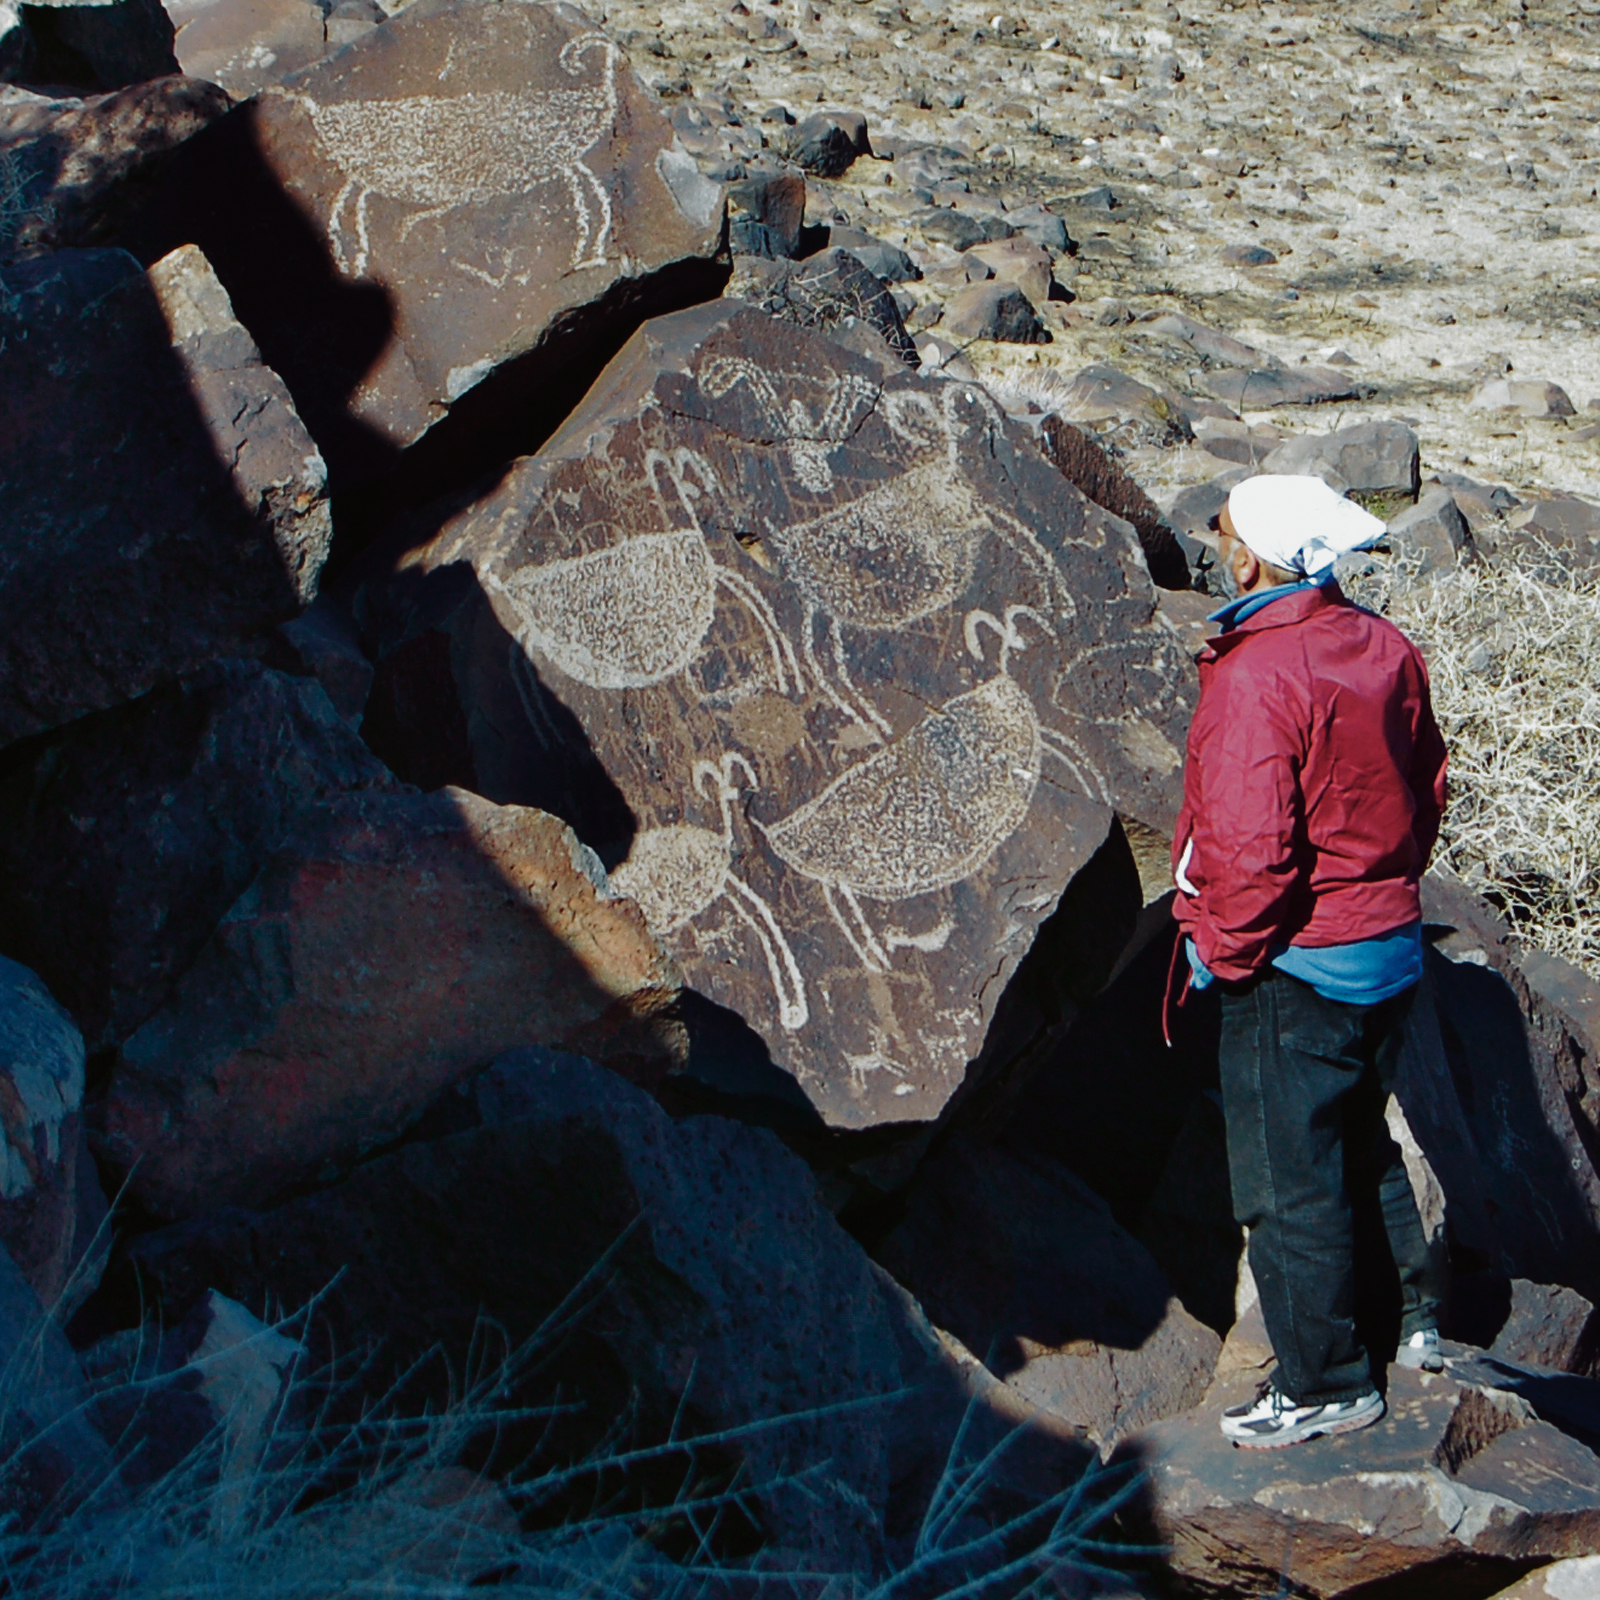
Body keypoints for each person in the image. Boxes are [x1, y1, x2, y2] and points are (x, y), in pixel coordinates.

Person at [1169, 473, 1449, 1450]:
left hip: (1295, 961)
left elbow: (1251, 854)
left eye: (1221, 530)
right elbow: (1425, 783)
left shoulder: (1256, 673)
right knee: (1356, 1140)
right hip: (1385, 944)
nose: (1213, 545)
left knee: (1284, 1178)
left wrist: (1218, 950)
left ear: (1252, 555)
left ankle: (1327, 1381)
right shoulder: (1382, 645)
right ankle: (1414, 1328)